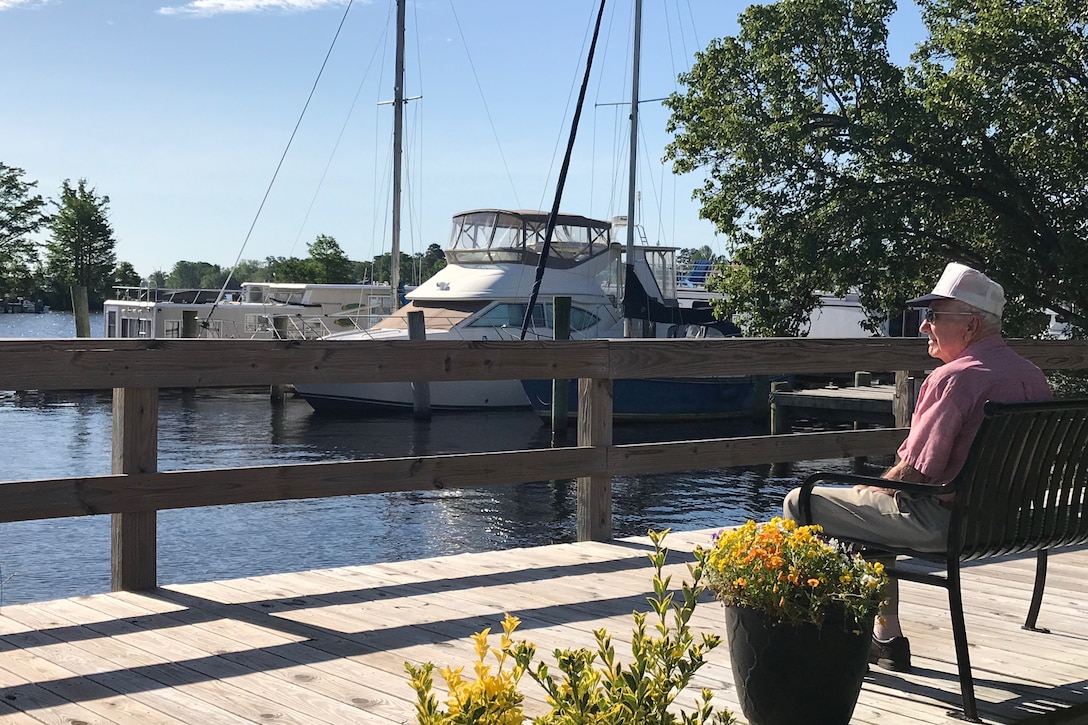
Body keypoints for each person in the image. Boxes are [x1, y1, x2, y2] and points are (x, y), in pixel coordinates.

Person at [782, 262, 1052, 672]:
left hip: (948, 523)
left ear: (970, 325)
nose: (925, 326)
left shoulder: (956, 378)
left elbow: (914, 474)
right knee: (870, 516)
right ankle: (884, 638)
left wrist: (870, 490)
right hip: (1008, 523)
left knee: (800, 500)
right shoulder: (1034, 378)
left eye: (934, 316)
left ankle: (813, 634)